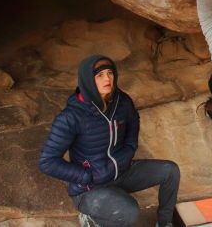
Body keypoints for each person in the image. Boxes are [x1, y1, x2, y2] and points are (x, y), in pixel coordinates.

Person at [39, 54, 180, 227]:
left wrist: (129, 149)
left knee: (170, 171)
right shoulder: (71, 117)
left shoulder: (121, 101)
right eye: (100, 75)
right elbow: (47, 162)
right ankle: (92, 218)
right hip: (90, 188)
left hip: (122, 172)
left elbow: (133, 121)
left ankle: (165, 223)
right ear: (88, 80)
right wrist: (86, 175)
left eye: (110, 73)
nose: (108, 78)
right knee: (128, 211)